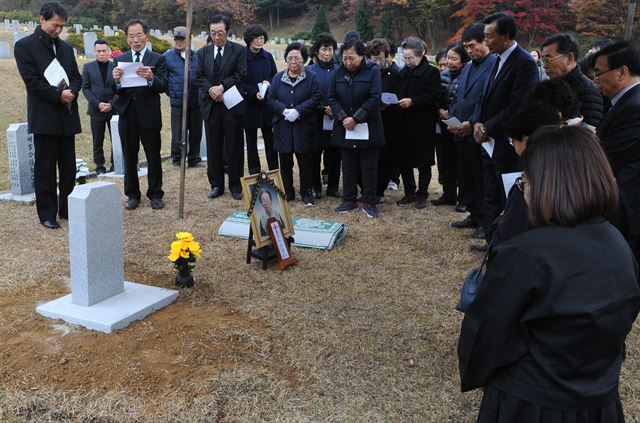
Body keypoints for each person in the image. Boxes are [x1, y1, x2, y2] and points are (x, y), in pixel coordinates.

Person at [458, 125, 640, 422]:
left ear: (545, 183)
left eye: (524, 179)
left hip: (532, 405)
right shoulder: (617, 242)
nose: (524, 188)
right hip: (599, 402)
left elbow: (485, 335)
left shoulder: (525, 253)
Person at [472, 12, 538, 249]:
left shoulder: (525, 63)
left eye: (490, 36)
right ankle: (492, 241)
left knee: (507, 197)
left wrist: (488, 127)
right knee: (489, 193)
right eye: (485, 36)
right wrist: (478, 122)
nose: (486, 41)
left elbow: (517, 105)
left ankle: (506, 245)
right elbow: (484, 96)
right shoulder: (495, 60)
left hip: (508, 143)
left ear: (507, 36)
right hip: (488, 140)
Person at [14, 2, 82, 229]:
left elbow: (76, 76)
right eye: (55, 25)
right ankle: (47, 213)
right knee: (45, 168)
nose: (58, 30)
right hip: (45, 116)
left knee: (69, 168)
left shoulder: (65, 48)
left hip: (67, 115)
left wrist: (72, 91)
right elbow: (32, 81)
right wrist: (57, 95)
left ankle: (66, 208)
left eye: (62, 26)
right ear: (42, 19)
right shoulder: (24, 46)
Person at [111, 19, 168, 211]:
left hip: (149, 114)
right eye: (131, 36)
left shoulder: (157, 59)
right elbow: (114, 89)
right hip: (127, 114)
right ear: (127, 39)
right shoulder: (120, 59)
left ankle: (155, 194)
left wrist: (151, 77)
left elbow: (164, 86)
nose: (136, 40)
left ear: (146, 36)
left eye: (139, 35)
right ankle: (132, 194)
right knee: (129, 155)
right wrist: (116, 81)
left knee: (153, 155)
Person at [593, 41, 640, 263]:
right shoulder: (624, 102)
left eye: (600, 73)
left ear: (622, 72)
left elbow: (605, 156)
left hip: (627, 207)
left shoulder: (634, 107)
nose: (596, 80)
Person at [449, 23, 496, 240]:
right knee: (466, 177)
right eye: (465, 47)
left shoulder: (495, 65)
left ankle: (486, 222)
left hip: (480, 132)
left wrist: (472, 122)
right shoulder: (467, 67)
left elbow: (485, 100)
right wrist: (455, 121)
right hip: (462, 131)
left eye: (471, 45)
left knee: (482, 180)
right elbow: (462, 97)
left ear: (485, 41)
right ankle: (474, 214)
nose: (468, 50)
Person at [329, 39, 385, 218]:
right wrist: (343, 117)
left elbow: (375, 97)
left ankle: (369, 201)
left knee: (369, 166)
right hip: (345, 126)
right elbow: (331, 96)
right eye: (345, 58)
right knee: (348, 165)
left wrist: (356, 117)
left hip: (368, 125)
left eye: (352, 58)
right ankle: (349, 199)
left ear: (362, 56)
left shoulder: (372, 71)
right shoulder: (338, 73)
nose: (348, 62)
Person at [196, 14, 247, 201]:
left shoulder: (239, 51)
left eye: (221, 33)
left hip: (231, 105)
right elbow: (199, 76)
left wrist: (222, 86)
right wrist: (212, 89)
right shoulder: (202, 53)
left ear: (228, 32)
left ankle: (235, 185)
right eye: (213, 33)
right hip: (211, 105)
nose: (217, 37)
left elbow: (240, 74)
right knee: (213, 146)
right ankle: (216, 184)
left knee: (234, 146)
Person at [267, 43, 322, 206]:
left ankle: (306, 193)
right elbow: (271, 98)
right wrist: (284, 111)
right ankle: (288, 193)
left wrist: (298, 111)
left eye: (297, 58)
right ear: (285, 59)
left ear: (304, 60)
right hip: (283, 127)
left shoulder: (311, 77)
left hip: (304, 126)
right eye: (290, 58)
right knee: (285, 162)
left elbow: (316, 96)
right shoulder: (278, 78)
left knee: (305, 161)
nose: (293, 61)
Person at [394, 36, 441, 210]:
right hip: (403, 123)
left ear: (421, 55)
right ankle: (409, 192)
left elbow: (434, 95)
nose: (407, 61)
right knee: (404, 160)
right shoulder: (401, 72)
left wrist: (413, 101)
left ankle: (422, 194)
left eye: (411, 58)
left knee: (423, 162)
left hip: (422, 124)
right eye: (405, 58)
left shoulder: (431, 72)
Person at [434, 42, 469, 208]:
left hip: (460, 124)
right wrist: (440, 109)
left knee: (461, 164)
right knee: (445, 160)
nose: (449, 61)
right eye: (448, 57)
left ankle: (463, 199)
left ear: (463, 60)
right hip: (443, 123)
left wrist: (452, 113)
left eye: (454, 59)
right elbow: (437, 96)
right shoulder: (443, 75)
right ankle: (448, 195)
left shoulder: (468, 75)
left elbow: (465, 100)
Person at [541, 33, 603, 127]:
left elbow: (587, 134)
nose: (544, 66)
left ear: (569, 58)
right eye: (543, 60)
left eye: (548, 59)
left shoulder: (588, 90)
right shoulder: (550, 86)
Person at [307, 32, 341, 198]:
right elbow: (306, 95)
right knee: (314, 154)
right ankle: (315, 187)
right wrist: (322, 108)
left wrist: (335, 109)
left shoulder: (340, 70)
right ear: (317, 51)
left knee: (334, 154)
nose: (327, 53)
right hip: (315, 119)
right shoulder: (309, 71)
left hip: (336, 118)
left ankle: (333, 187)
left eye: (330, 49)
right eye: (324, 49)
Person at [242, 24, 278, 175]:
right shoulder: (242, 57)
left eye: (262, 38)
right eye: (256, 38)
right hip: (249, 105)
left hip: (266, 106)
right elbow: (240, 80)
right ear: (249, 40)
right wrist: (252, 92)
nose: (259, 41)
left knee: (271, 141)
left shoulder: (268, 56)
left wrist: (269, 83)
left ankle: (274, 171)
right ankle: (254, 172)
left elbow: (275, 76)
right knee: (251, 142)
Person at [164, 26, 202, 168]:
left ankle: (194, 158)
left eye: (182, 39)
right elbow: (164, 79)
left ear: (188, 40)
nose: (178, 42)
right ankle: (177, 158)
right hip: (178, 101)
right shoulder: (167, 58)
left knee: (196, 132)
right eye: (176, 39)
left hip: (195, 101)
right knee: (178, 132)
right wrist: (172, 92)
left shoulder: (197, 56)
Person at [367, 38, 399, 204]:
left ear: (387, 56)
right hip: (369, 120)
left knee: (384, 158)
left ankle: (379, 191)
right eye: (372, 58)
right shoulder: (365, 72)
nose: (376, 62)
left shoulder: (394, 73)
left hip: (389, 121)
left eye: (379, 58)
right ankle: (366, 188)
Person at [82, 39, 115, 175]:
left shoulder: (115, 66)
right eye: (99, 51)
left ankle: (115, 164)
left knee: (116, 138)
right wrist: (97, 103)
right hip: (96, 110)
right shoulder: (88, 67)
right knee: (97, 140)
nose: (102, 54)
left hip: (114, 109)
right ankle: (100, 166)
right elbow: (85, 88)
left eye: (104, 51)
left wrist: (112, 103)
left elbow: (121, 87)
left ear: (108, 51)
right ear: (94, 52)